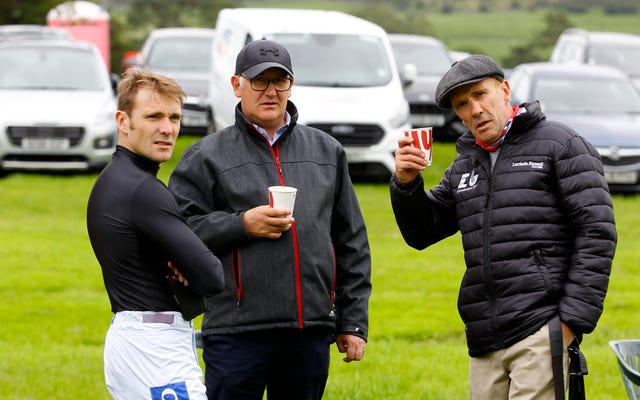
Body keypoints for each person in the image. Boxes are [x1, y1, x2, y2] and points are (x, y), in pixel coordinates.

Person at [389, 55, 617, 399]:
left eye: (481, 95)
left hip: (542, 327)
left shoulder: (561, 144)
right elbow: (423, 232)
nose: (475, 109)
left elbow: (597, 233)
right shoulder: (465, 162)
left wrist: (569, 322)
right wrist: (406, 184)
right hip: (483, 337)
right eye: (462, 104)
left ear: (505, 90)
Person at [168, 38, 372, 400]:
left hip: (309, 329)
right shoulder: (205, 156)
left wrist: (352, 320)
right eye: (259, 81)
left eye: (281, 81)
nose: (271, 91)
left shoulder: (327, 151)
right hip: (235, 332)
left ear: (292, 85)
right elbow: (178, 232)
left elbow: (351, 243)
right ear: (237, 85)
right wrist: (241, 224)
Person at [87, 70, 225, 400]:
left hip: (139, 338)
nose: (167, 128)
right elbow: (211, 277)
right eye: (153, 116)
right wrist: (187, 265)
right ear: (123, 121)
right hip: (152, 347)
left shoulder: (115, 178)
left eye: (174, 116)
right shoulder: (142, 190)